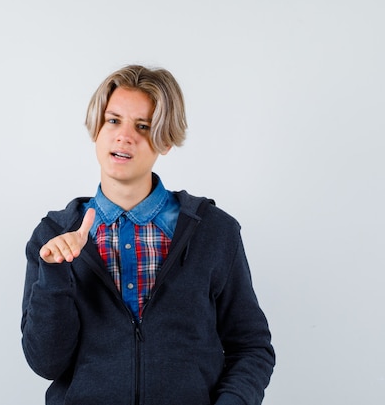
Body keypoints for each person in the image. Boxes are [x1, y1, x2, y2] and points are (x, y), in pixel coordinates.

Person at [21, 64, 275, 405]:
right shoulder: (52, 237)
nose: (124, 136)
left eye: (143, 126)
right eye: (113, 120)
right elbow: (46, 363)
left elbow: (251, 346)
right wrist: (54, 274)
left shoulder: (214, 231)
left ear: (166, 140)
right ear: (97, 127)